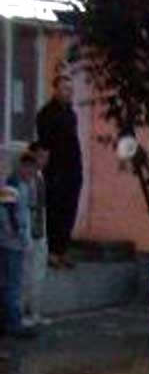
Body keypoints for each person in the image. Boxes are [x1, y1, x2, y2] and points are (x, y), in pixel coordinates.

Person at [36, 73, 82, 269]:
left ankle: (62, 251)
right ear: (55, 89)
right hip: (56, 171)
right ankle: (52, 253)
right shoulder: (46, 114)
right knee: (55, 211)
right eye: (65, 88)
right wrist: (43, 169)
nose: (69, 92)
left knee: (69, 211)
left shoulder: (71, 113)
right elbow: (44, 144)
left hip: (72, 170)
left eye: (71, 89)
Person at [0, 152, 37, 340]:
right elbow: (8, 213)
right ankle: (13, 324)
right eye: (30, 168)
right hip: (11, 243)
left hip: (13, 241)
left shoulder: (23, 184)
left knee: (9, 283)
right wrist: (20, 236)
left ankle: (8, 322)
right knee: (12, 284)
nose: (32, 172)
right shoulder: (13, 183)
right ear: (23, 166)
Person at [13, 147, 49, 327]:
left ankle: (35, 312)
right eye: (41, 157)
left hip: (39, 231)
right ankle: (22, 313)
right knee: (24, 275)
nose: (45, 160)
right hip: (27, 233)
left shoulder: (40, 177)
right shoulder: (22, 180)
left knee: (38, 274)